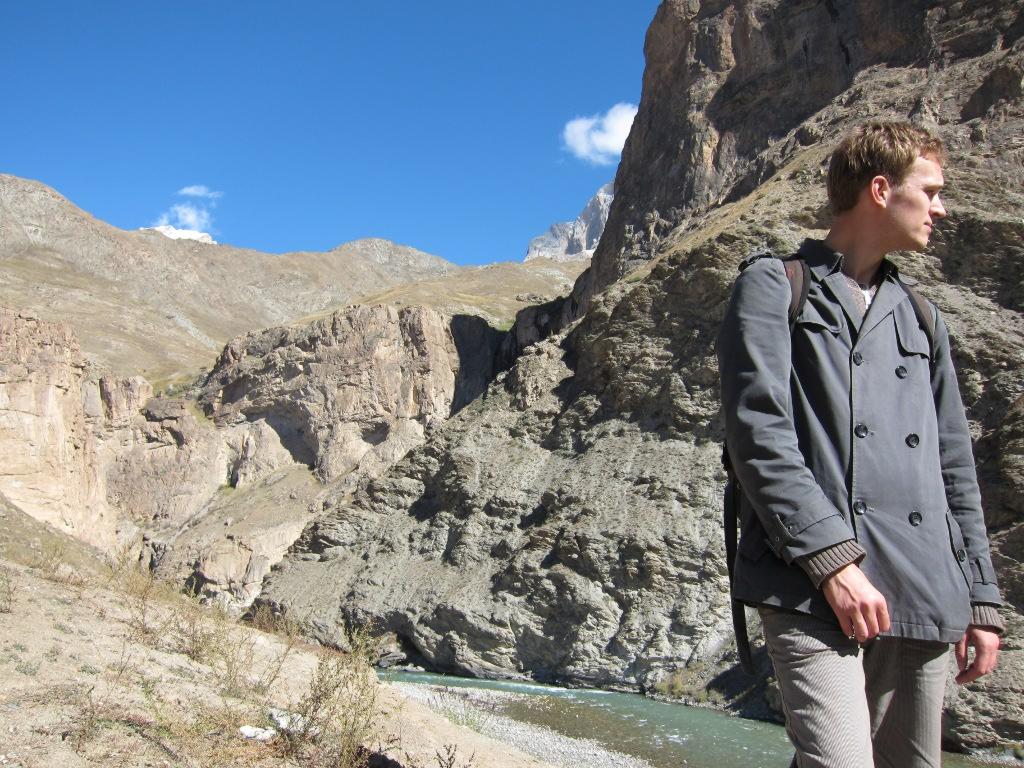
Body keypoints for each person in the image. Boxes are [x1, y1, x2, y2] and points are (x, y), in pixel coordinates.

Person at [717, 121, 1004, 768]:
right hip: (807, 579)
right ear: (880, 189)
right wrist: (833, 563)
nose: (941, 207)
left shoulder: (925, 319)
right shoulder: (774, 285)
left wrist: (981, 599)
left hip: (922, 584)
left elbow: (953, 467)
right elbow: (758, 434)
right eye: (929, 191)